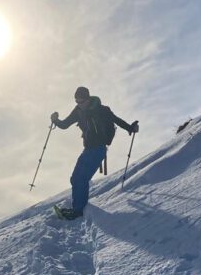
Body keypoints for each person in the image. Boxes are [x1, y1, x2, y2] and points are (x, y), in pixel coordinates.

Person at [50, 86, 138, 219]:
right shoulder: (78, 111)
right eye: (77, 101)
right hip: (87, 149)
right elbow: (65, 124)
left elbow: (116, 120)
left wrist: (130, 128)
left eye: (81, 101)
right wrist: (55, 120)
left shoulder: (101, 110)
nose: (79, 104)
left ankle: (78, 210)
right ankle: (77, 208)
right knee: (75, 178)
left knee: (82, 178)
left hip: (98, 149)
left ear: (88, 99)